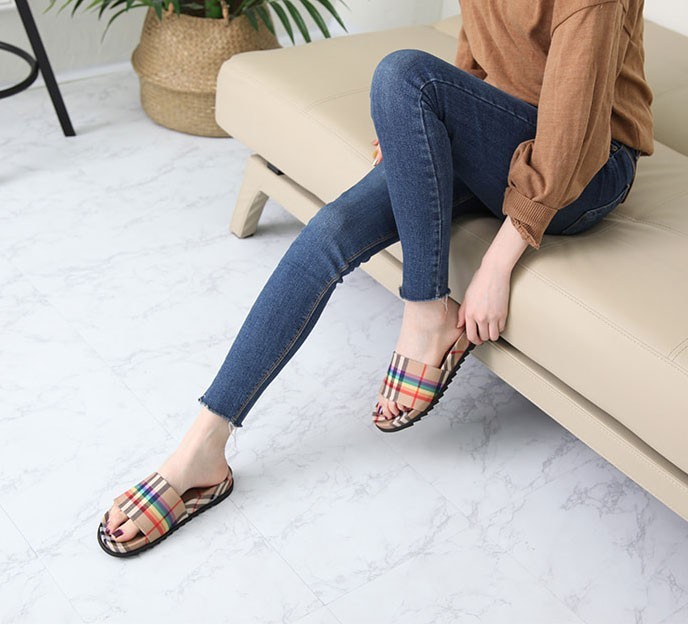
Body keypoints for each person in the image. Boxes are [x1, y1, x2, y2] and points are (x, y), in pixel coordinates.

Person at [97, 0, 653, 554]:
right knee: (332, 228)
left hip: (588, 168)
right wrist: (420, 124)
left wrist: (497, 263)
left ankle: (426, 313)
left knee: (402, 72)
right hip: (501, 134)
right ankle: (203, 446)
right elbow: (482, 52)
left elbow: (573, 135)